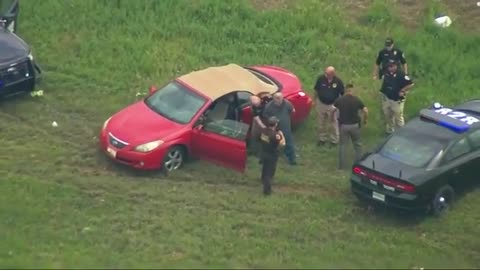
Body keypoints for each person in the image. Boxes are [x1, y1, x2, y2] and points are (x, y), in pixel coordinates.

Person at [333, 84, 369, 170]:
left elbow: (333, 109)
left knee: (343, 146)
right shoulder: (356, 100)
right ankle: (358, 164)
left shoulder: (340, 100)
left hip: (344, 126)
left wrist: (332, 118)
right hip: (355, 126)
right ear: (352, 90)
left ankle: (342, 166)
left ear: (345, 90)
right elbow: (365, 111)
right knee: (358, 145)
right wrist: (365, 120)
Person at [380, 60, 415, 135]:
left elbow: (411, 84)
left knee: (398, 117)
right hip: (387, 98)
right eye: (389, 66)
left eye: (391, 66)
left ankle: (401, 133)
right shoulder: (387, 72)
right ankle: (390, 131)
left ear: (395, 66)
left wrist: (403, 90)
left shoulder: (401, 74)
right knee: (388, 115)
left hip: (396, 100)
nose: (389, 68)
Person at [263, 92, 297, 165]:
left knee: (289, 142)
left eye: (280, 99)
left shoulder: (287, 103)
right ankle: (269, 157)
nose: (279, 102)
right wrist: (272, 120)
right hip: (275, 129)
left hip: (286, 127)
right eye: (277, 100)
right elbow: (265, 116)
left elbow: (292, 110)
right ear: (273, 99)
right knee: (272, 142)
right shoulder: (268, 107)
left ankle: (292, 158)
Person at [313, 66, 345, 146]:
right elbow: (316, 90)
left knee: (333, 123)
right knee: (321, 122)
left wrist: (338, 105)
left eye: (327, 73)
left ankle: (334, 140)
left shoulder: (338, 82)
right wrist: (314, 100)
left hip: (332, 105)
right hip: (321, 104)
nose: (325, 74)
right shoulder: (321, 79)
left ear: (333, 74)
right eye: (325, 72)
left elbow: (342, 94)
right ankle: (322, 138)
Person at [259, 116, 285, 195]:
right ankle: (267, 191)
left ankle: (263, 180)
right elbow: (283, 144)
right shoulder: (276, 135)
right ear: (275, 124)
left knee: (265, 168)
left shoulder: (263, 131)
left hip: (264, 153)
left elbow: (258, 138)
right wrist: (282, 135)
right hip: (272, 155)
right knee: (269, 173)